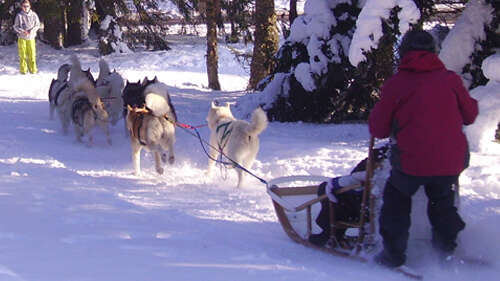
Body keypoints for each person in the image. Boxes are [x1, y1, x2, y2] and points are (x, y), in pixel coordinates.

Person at [368, 29, 478, 268]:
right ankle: (445, 252)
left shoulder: (397, 84)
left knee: (396, 201)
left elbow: (379, 129)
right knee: (442, 202)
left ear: (403, 53)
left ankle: (393, 255)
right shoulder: (450, 80)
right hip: (451, 160)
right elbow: (470, 115)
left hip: (411, 161)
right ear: (434, 52)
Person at [13, 0, 40, 74]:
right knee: (23, 55)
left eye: (27, 6)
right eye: (24, 6)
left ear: (30, 6)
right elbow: (15, 26)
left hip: (31, 38)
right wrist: (22, 31)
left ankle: (33, 70)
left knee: (32, 55)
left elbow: (37, 25)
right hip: (22, 38)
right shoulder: (19, 16)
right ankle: (23, 71)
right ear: (22, 7)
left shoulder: (34, 15)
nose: (26, 8)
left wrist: (31, 31)